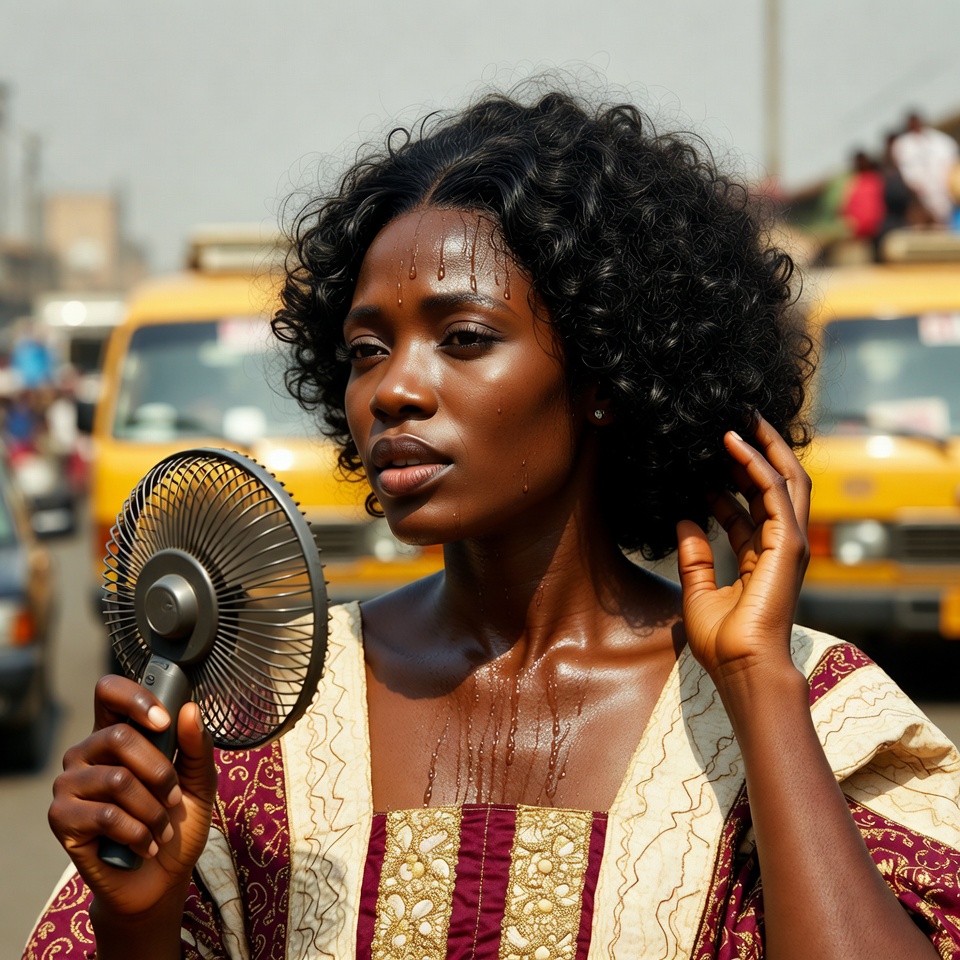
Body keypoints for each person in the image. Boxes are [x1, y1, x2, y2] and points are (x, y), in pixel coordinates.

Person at [24, 87, 960, 960]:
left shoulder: (822, 709)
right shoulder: (267, 723)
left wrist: (759, 686)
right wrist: (137, 914)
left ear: (603, 374)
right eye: (364, 350)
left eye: (463, 337)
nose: (394, 388)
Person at [890, 110, 960, 226]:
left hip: (949, 198)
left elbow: (952, 166)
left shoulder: (941, 141)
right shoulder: (902, 145)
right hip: (923, 203)